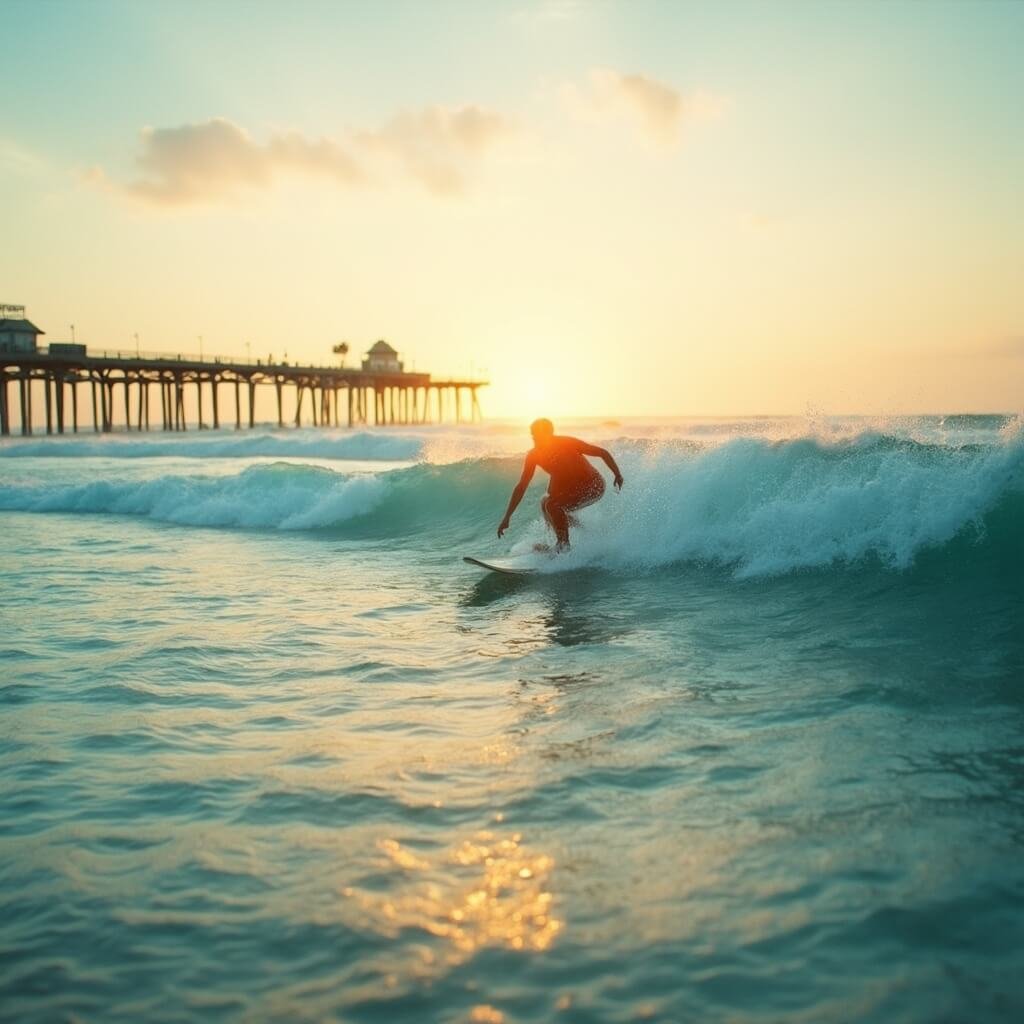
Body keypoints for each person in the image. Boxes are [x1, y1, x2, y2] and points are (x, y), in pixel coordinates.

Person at [498, 418, 623, 551]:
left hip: (593, 485)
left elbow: (602, 453)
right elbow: (521, 486)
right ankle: (570, 537)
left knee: (553, 505)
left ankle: (563, 546)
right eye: (533, 435)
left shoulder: (567, 443)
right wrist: (507, 517)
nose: (535, 438)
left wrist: (617, 474)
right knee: (545, 502)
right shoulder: (534, 455)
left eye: (538, 435)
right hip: (570, 488)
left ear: (549, 434)